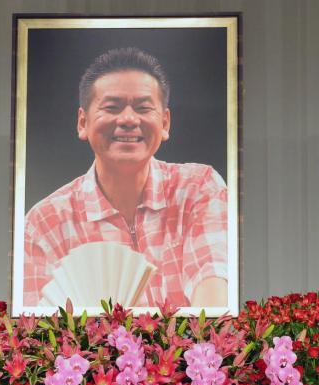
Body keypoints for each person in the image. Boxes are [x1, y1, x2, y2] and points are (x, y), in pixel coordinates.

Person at [23, 47, 229, 308]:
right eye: (112, 107)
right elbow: (33, 334)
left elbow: (213, 301)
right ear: (82, 122)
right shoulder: (44, 224)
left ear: (165, 123)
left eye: (143, 108)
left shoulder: (199, 188)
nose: (129, 119)